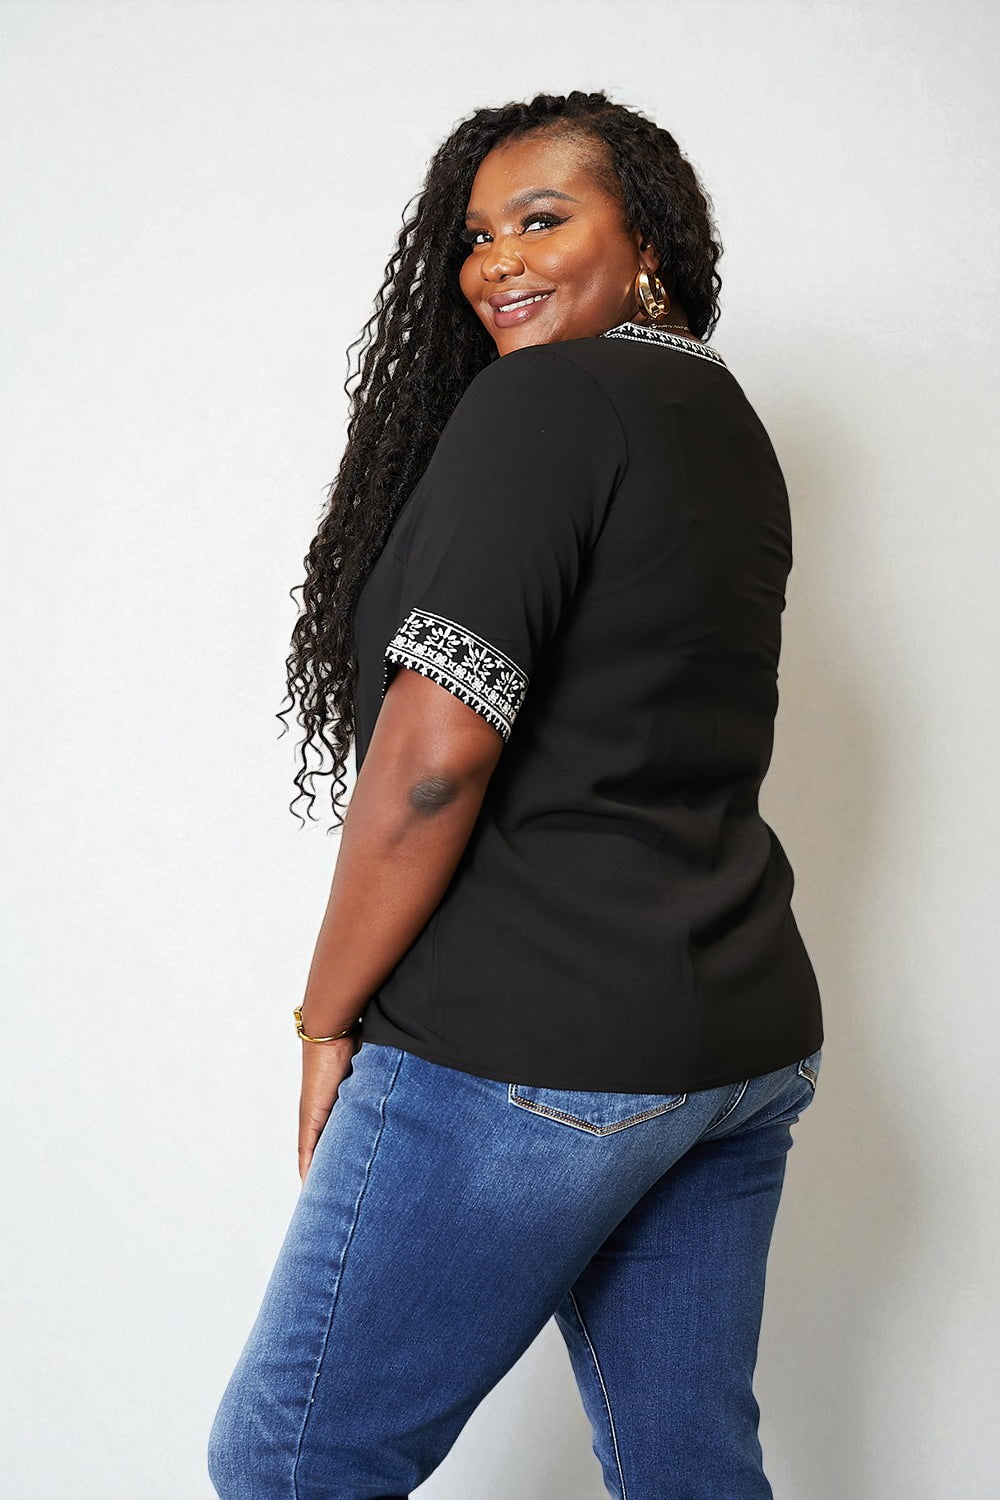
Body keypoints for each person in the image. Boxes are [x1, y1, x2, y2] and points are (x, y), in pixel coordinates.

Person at [207, 88, 824, 1500]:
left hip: (532, 1050)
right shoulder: (723, 424)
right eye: (477, 236)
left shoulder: (549, 400)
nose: (497, 263)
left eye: (544, 219)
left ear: (648, 240)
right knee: (687, 1469)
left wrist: (325, 1016)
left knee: (292, 1463)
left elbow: (434, 762)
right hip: (733, 1039)